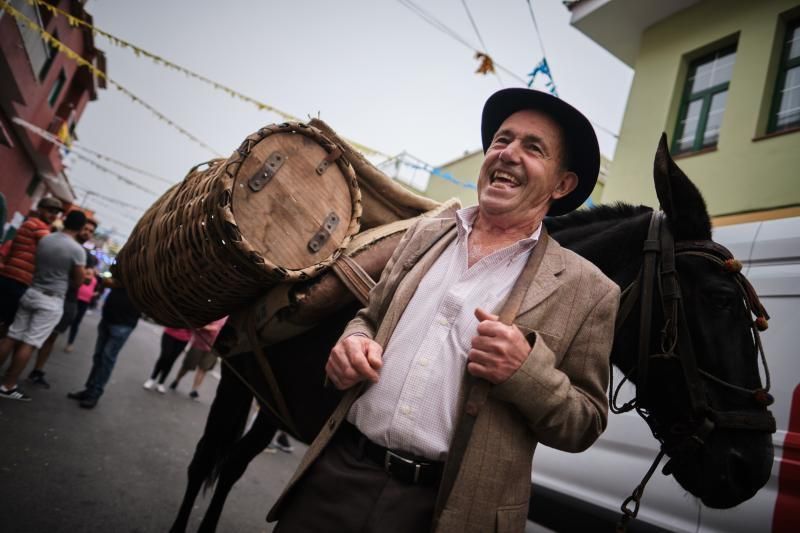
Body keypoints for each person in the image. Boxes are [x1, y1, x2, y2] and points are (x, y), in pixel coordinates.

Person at [267, 88, 620, 533]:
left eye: (533, 148)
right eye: (501, 140)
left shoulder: (588, 291)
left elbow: (584, 423)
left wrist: (525, 370)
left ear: (562, 184)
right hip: (338, 476)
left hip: (446, 511)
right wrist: (354, 341)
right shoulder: (425, 233)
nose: (508, 154)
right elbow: (370, 318)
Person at [0, 209, 87, 401]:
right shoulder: (77, 250)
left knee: (12, 335)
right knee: (30, 343)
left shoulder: (46, 239)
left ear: (64, 220)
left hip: (31, 291)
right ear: (81, 228)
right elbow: (79, 280)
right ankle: (8, 385)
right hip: (51, 299)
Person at [27, 218, 98, 388]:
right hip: (45, 294)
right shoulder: (57, 242)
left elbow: (87, 280)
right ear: (79, 227)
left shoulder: (87, 256)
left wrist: (80, 276)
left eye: (91, 231)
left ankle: (37, 370)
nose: (87, 233)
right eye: (85, 228)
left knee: (50, 338)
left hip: (67, 300)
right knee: (27, 337)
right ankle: (11, 375)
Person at [67, 281, 141, 409]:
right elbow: (107, 281)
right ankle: (89, 390)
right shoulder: (124, 267)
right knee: (98, 356)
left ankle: (94, 393)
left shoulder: (146, 275)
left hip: (124, 323)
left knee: (106, 359)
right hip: (108, 317)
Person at [0, 197, 63, 337]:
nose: (53, 216)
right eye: (50, 211)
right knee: (8, 324)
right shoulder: (38, 226)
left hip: (10, 277)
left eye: (56, 213)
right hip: (18, 280)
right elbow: (53, 248)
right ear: (40, 209)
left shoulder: (29, 223)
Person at [169, 317, 227, 400]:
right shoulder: (210, 311)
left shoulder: (227, 317)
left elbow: (218, 329)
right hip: (199, 344)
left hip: (214, 348)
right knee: (187, 365)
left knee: (203, 369)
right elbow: (198, 325)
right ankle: (177, 380)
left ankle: (194, 390)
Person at [143, 327, 192, 393]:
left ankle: (161, 383)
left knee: (171, 360)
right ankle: (152, 379)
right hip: (170, 334)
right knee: (164, 356)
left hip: (184, 339)